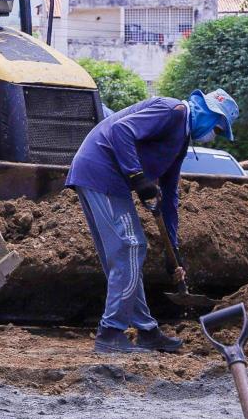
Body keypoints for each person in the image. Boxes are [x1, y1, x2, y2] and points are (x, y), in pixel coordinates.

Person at [66, 88, 239, 354]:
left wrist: (174, 254)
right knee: (131, 247)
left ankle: (147, 331)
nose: (213, 136)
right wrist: (137, 177)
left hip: (105, 178)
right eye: (216, 129)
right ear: (208, 114)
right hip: (101, 172)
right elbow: (121, 131)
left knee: (125, 254)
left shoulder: (180, 140)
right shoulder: (172, 111)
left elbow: (170, 197)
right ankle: (111, 333)